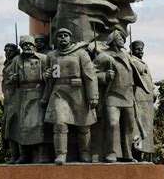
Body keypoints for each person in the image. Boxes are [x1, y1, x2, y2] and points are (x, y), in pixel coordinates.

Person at [43, 27, 98, 164]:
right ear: (56, 39)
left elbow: (90, 75)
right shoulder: (52, 55)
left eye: (65, 35)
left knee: (84, 125)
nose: (63, 38)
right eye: (60, 36)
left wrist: (93, 95)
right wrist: (46, 75)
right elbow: (46, 74)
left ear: (70, 38)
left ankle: (84, 153)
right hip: (59, 92)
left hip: (78, 92)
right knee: (59, 123)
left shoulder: (81, 54)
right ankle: (61, 154)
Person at [94, 30, 136, 162]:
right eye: (120, 38)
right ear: (112, 40)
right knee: (112, 123)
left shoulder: (127, 56)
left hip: (128, 96)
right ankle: (111, 152)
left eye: (123, 38)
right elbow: (91, 73)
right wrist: (104, 76)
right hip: (112, 95)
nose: (123, 40)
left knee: (129, 125)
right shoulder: (104, 56)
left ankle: (128, 153)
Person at [9, 36, 48, 164]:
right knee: (22, 127)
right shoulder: (17, 60)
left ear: (34, 46)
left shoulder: (43, 58)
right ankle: (24, 155)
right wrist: (14, 78)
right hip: (22, 96)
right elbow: (11, 78)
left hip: (38, 94)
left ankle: (43, 154)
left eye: (30, 44)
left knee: (39, 126)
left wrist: (45, 77)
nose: (28, 47)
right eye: (25, 45)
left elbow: (51, 78)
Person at [130, 40, 157, 161]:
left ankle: (142, 153)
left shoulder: (144, 63)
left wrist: (153, 92)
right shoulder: (131, 61)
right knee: (137, 128)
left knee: (146, 128)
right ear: (132, 49)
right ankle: (135, 151)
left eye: (141, 49)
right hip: (137, 99)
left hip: (147, 102)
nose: (140, 51)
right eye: (137, 49)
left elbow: (149, 81)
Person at [1, 42, 20, 164]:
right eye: (6, 50)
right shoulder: (7, 65)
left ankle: (18, 155)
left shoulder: (17, 62)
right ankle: (14, 155)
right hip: (8, 98)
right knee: (8, 128)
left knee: (15, 126)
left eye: (10, 50)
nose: (7, 53)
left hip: (16, 97)